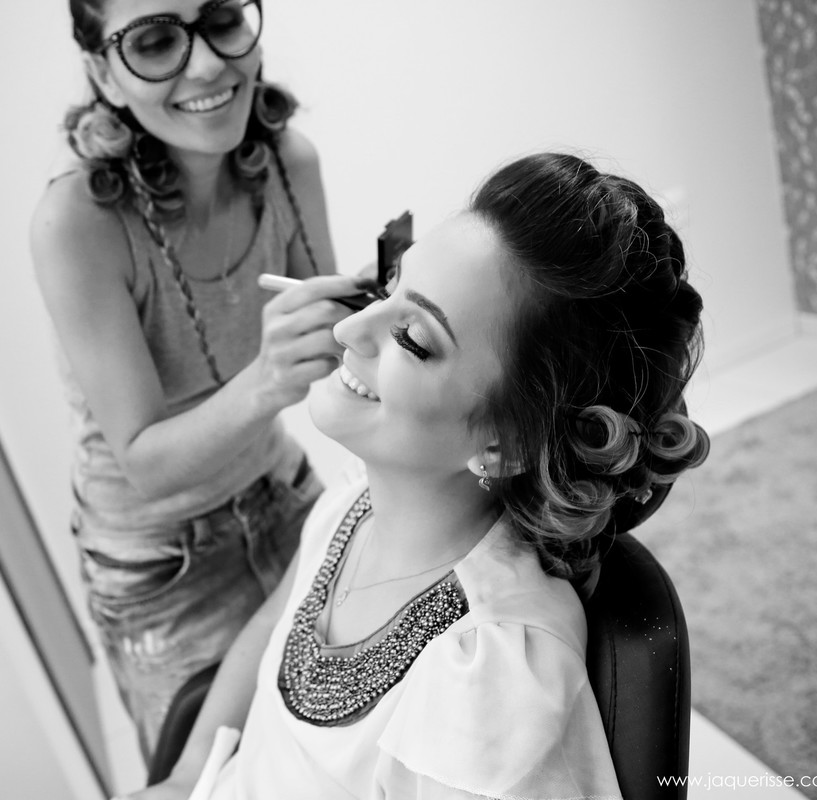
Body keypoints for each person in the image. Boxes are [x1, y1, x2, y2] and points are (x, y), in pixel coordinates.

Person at [124, 152, 711, 799]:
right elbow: (270, 628)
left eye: (413, 338)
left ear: (508, 443)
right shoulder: (349, 502)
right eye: (388, 289)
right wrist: (185, 777)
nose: (348, 327)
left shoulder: (488, 675)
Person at [29, 0, 365, 759]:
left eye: (220, 19)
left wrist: (375, 320)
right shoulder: (77, 222)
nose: (209, 64)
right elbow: (145, 464)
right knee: (214, 775)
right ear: (103, 75)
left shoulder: (288, 163)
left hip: (282, 493)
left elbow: (331, 349)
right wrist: (269, 378)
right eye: (155, 41)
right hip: (160, 566)